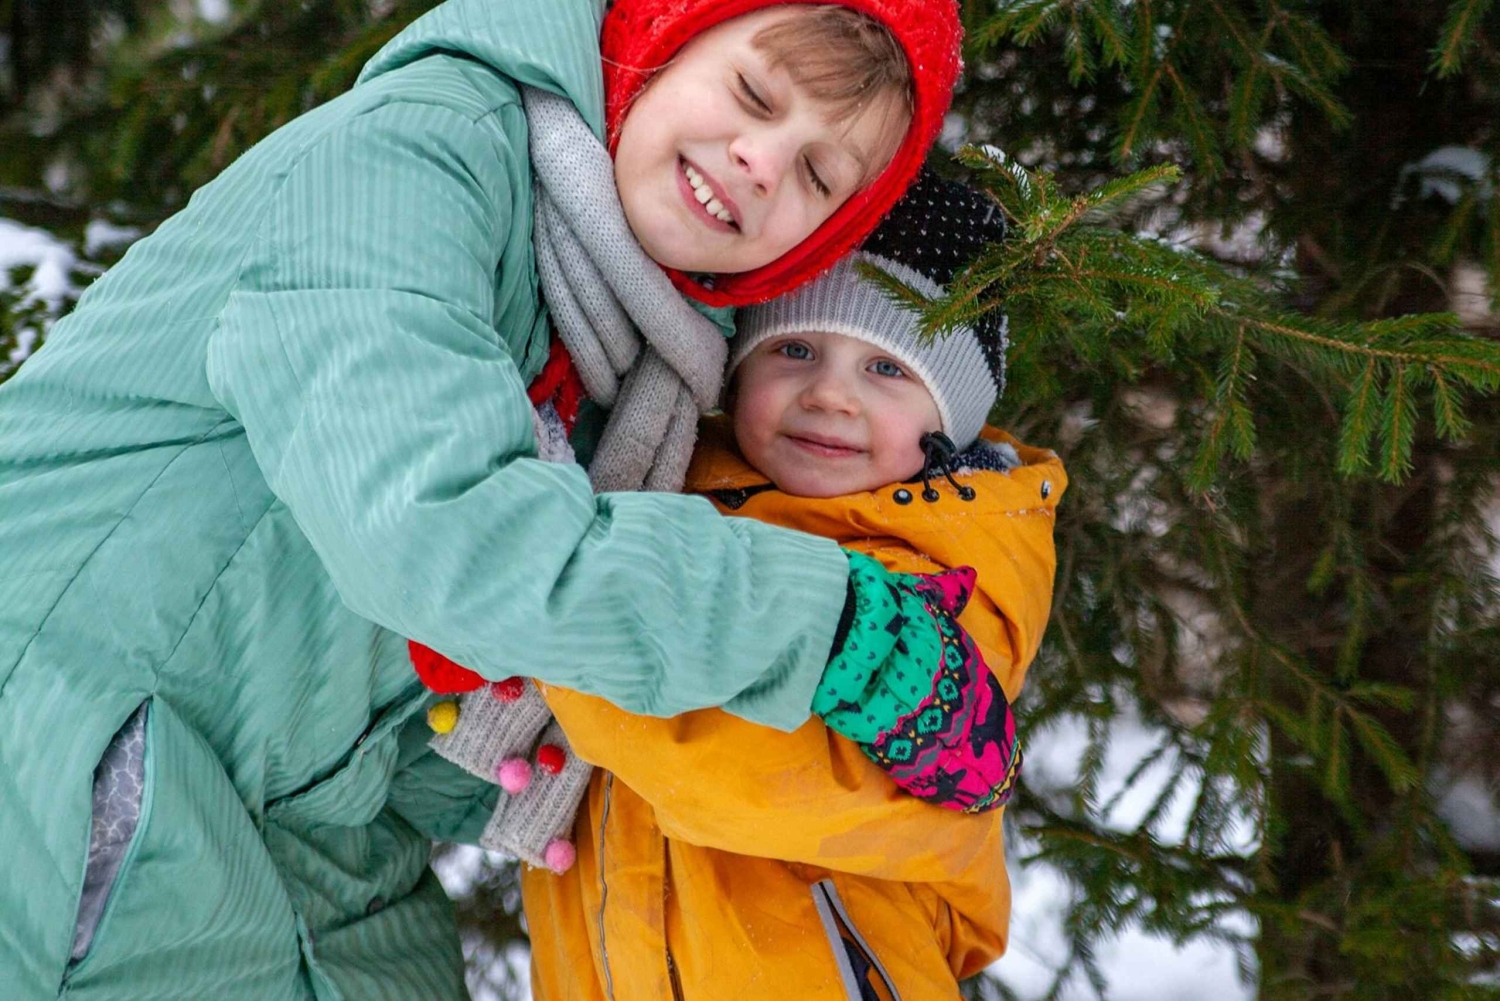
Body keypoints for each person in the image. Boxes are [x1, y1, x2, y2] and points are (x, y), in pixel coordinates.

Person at [0, 0, 969, 997]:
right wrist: (829, 621)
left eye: (818, 175)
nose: (762, 161)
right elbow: (439, 531)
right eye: (753, 93)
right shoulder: (412, 159)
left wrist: (508, 756)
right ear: (652, 41)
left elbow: (360, 638)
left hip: (292, 818)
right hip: (61, 728)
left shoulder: (634, 353)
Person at [426, 172, 1068, 999]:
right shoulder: (673, 485)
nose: (831, 395)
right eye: (794, 349)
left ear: (957, 413)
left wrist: (562, 618)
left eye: (887, 366)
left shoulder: (945, 573)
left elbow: (755, 775)